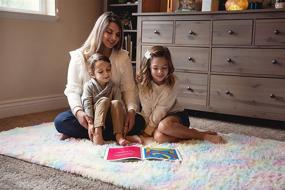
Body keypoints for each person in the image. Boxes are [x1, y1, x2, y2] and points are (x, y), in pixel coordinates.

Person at [54, 12, 145, 143]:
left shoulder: (122, 57)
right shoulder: (79, 56)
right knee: (61, 121)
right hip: (90, 113)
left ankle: (94, 133)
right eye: (109, 32)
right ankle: (114, 134)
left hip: (114, 113)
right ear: (99, 30)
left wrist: (131, 111)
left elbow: (129, 89)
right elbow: (73, 90)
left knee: (140, 122)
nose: (114, 38)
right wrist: (79, 113)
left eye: (118, 34)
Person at [136, 46, 225, 144]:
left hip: (175, 115)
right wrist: (146, 129)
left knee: (163, 126)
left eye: (164, 68)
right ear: (149, 68)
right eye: (155, 68)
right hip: (157, 119)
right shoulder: (143, 83)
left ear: (169, 67)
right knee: (159, 137)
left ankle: (202, 135)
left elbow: (161, 109)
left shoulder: (172, 82)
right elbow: (146, 109)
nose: (160, 72)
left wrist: (147, 132)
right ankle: (187, 135)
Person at [81, 53, 130, 145]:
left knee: (116, 102)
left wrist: (123, 119)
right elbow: (87, 104)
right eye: (101, 72)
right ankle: (97, 133)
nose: (106, 73)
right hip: (96, 119)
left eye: (108, 70)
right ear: (92, 74)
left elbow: (120, 106)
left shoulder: (114, 87)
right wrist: (90, 123)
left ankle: (119, 135)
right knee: (104, 100)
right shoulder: (88, 86)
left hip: (110, 120)